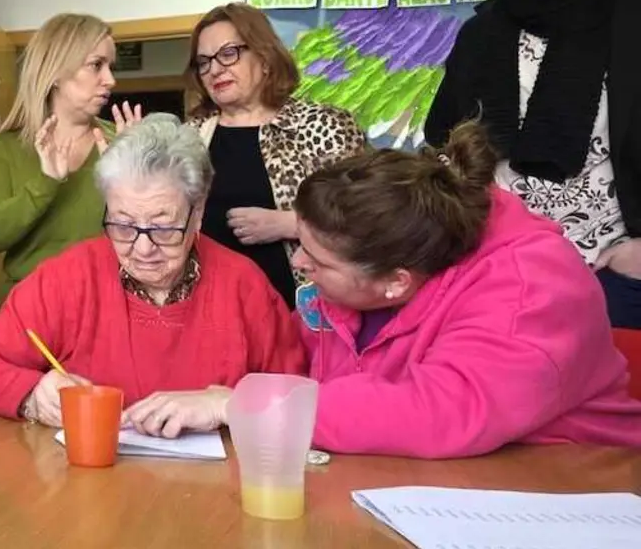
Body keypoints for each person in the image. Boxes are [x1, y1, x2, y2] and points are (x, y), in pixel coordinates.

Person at [138, 122, 641, 456]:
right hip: (404, 482)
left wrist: (238, 404)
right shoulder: (355, 280)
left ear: (395, 281)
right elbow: (292, 361)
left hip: (561, 489)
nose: (298, 262)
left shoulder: (532, 287)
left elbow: (440, 412)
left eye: (318, 259)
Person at [0, 114, 306, 433]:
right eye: (123, 225)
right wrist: (31, 394)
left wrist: (228, 403)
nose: (143, 248)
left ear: (197, 213)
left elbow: (301, 400)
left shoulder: (244, 286)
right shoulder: (70, 276)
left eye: (164, 229)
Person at [424, 0, 641, 329]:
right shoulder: (483, 31)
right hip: (502, 276)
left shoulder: (634, 13)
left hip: (615, 281)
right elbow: (440, 142)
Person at [187, 2, 365, 308]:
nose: (215, 69)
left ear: (265, 57)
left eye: (228, 54)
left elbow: (373, 214)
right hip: (210, 314)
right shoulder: (189, 136)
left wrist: (292, 224)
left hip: (304, 316)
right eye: (204, 62)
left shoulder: (324, 125)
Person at [0, 13, 142, 296]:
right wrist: (45, 183)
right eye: (96, 65)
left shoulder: (124, 143)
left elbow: (153, 234)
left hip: (107, 303)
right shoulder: (6, 148)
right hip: (29, 311)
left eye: (110, 66)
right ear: (55, 73)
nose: (110, 80)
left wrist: (135, 175)